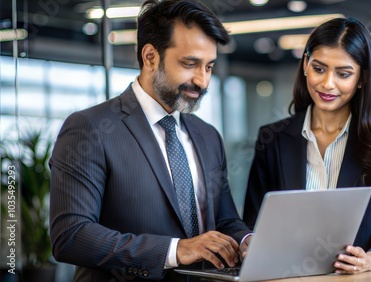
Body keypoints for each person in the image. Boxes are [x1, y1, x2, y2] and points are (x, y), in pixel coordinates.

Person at [49, 0, 251, 281]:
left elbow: (226, 220)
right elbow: (71, 235)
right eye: (190, 64)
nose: (203, 81)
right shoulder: (90, 128)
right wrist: (175, 250)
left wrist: (245, 241)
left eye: (209, 66)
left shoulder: (208, 136)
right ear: (150, 57)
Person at [243, 17, 371, 275]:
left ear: (361, 78)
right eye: (319, 69)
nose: (327, 84)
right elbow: (254, 223)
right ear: (305, 65)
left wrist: (370, 259)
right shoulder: (273, 139)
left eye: (343, 74)